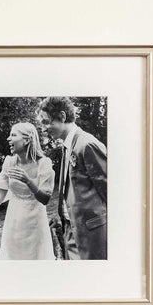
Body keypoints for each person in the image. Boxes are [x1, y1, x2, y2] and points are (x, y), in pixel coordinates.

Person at [38, 96, 107, 260]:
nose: (44, 128)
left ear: (62, 116)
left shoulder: (87, 144)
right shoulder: (67, 146)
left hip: (92, 235)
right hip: (71, 232)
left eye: (46, 122)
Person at [0, 122, 55, 261]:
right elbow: (1, 193)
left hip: (35, 221)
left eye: (13, 135)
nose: (8, 138)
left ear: (27, 139)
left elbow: (45, 199)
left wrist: (28, 181)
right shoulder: (9, 162)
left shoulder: (44, 163)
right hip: (13, 219)